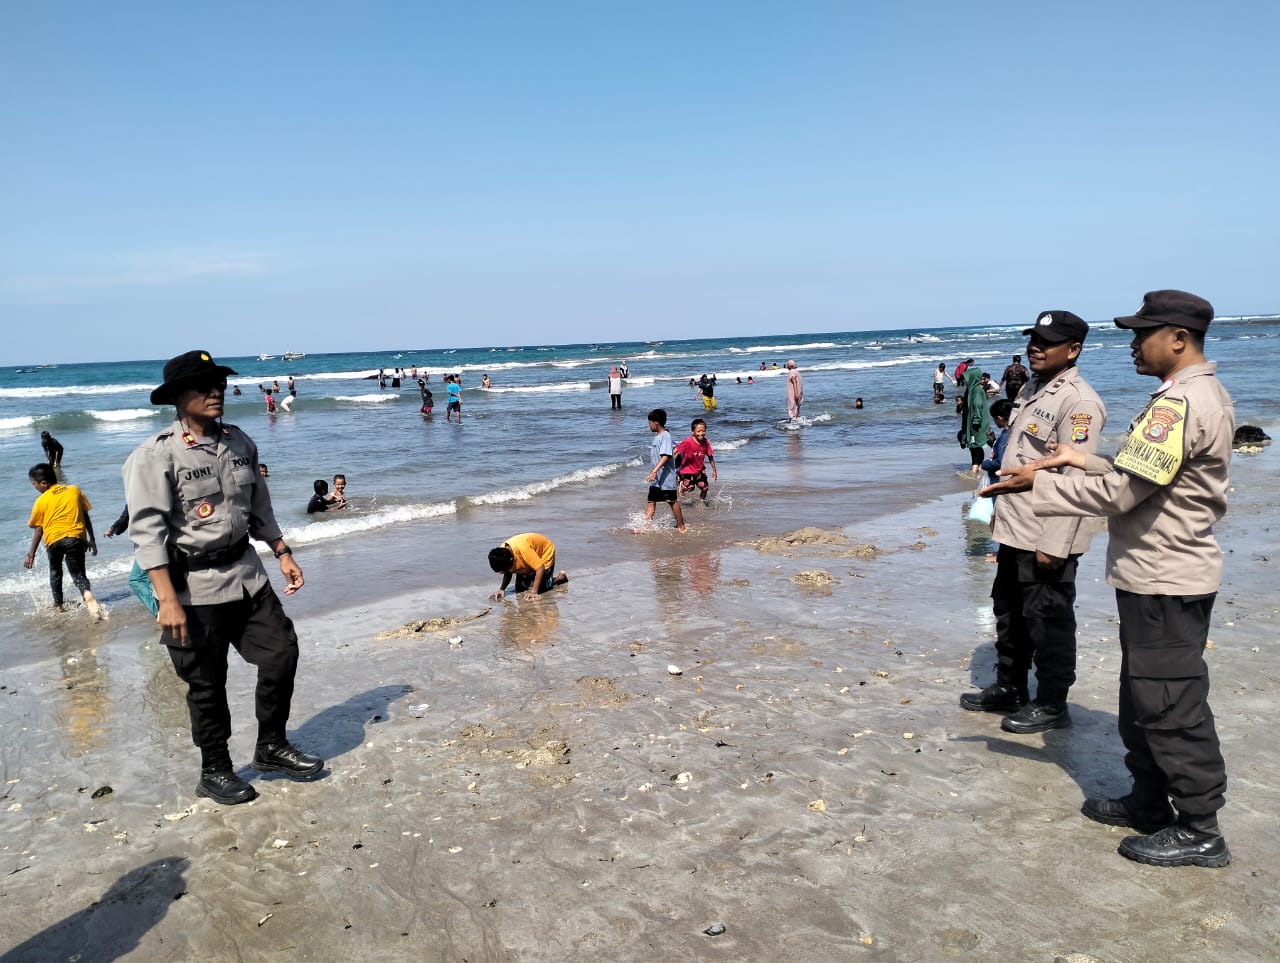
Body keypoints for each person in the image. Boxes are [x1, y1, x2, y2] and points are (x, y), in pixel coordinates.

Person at [983, 291, 1233, 868]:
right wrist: (1076, 461)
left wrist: (1036, 488)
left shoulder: (1181, 405)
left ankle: (1200, 827)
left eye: (1142, 333)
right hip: (1151, 574)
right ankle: (1149, 801)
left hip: (1167, 575)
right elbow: (1136, 472)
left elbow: (1124, 493)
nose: (1131, 344)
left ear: (1178, 338)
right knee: (1142, 698)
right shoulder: (1182, 398)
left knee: (1172, 704)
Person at [123, 349, 323, 807]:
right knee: (206, 684)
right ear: (177, 397)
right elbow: (148, 534)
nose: (217, 391)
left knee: (281, 655)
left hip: (247, 575)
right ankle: (214, 769)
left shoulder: (240, 442)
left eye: (219, 383)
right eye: (203, 385)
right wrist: (166, 599)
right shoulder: (154, 457)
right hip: (193, 590)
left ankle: (271, 746)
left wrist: (282, 551)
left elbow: (259, 509)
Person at [962, 311, 1107, 736]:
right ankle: (1010, 686)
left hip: (1047, 531)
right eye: (1034, 339)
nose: (1036, 347)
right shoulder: (1032, 386)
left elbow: (1075, 477)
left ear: (1074, 349)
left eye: (1048, 341)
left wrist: (1055, 543)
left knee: (1049, 621)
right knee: (1009, 613)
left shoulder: (1078, 402)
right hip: (1015, 527)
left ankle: (1051, 703)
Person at [24, 463, 101, 618]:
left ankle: (59, 606)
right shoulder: (74, 490)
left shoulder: (41, 501)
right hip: (76, 537)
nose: (35, 487)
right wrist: (91, 538)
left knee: (55, 572)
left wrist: (31, 554)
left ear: (44, 483)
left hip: (54, 541)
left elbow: (39, 529)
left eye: (35, 484)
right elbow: (85, 515)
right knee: (78, 574)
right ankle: (87, 594)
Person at [637, 409, 686, 533]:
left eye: (650, 423)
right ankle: (646, 527)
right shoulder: (657, 437)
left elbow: (666, 456)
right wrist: (654, 473)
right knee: (651, 501)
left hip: (666, 477)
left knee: (672, 502)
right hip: (657, 478)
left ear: (656, 423)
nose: (649, 425)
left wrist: (654, 471)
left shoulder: (666, 436)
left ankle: (681, 526)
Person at [105, 506, 159, 615]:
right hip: (164, 539)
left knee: (137, 580)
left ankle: (160, 612)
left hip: (148, 543)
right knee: (152, 579)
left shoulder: (137, 490)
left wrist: (113, 529)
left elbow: (127, 515)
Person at [487, 533, 569, 601]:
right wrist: (502, 589)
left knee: (540, 589)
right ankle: (531, 574)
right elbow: (508, 572)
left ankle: (559, 578)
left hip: (544, 553)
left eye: (503, 570)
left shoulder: (523, 549)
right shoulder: (501, 554)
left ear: (511, 560)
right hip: (529, 558)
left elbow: (540, 567)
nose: (502, 573)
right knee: (520, 589)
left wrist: (534, 592)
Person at [958, 365, 991, 475]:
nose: (964, 381)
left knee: (975, 445)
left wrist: (976, 421)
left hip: (976, 424)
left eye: (966, 379)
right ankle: (978, 466)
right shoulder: (970, 390)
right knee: (974, 445)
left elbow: (978, 406)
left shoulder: (977, 391)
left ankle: (975, 468)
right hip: (970, 423)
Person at [675, 418, 717, 504]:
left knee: (704, 487)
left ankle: (701, 502)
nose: (701, 433)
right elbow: (676, 451)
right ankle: (681, 486)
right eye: (698, 431)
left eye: (703, 431)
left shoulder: (706, 442)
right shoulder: (688, 441)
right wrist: (672, 466)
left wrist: (714, 470)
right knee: (690, 488)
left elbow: (710, 456)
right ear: (693, 431)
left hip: (699, 471)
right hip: (687, 471)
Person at [980, 398, 1014, 487]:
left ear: (999, 418)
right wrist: (993, 442)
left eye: (994, 418)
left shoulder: (1004, 436)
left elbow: (1001, 462)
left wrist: (984, 464)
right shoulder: (1012, 432)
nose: (994, 421)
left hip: (999, 482)